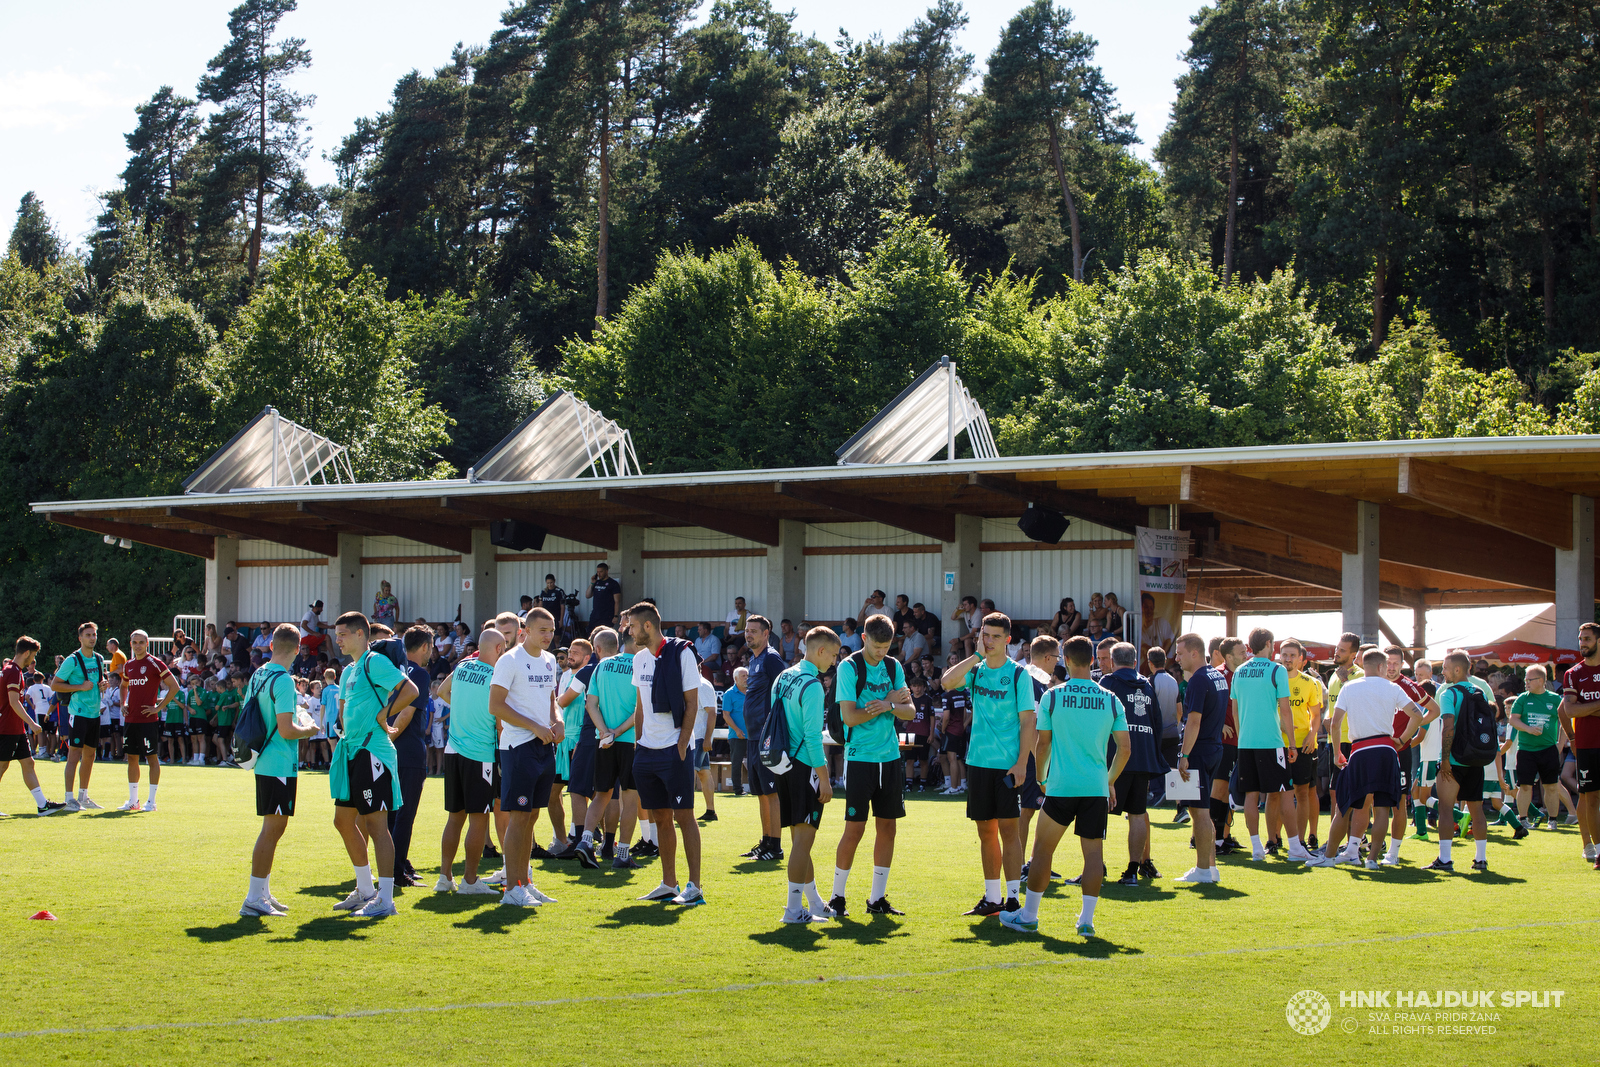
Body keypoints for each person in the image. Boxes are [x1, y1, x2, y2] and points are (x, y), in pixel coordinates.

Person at [1000, 635, 1129, 937]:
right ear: (1093, 661)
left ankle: (1029, 916)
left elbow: (1042, 744)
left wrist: (1042, 777)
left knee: (1042, 850)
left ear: (1066, 661)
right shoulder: (1111, 699)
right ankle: (1086, 921)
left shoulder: (1053, 696)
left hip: (1060, 787)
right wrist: (1108, 781)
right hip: (1095, 789)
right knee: (1093, 855)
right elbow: (1125, 749)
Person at [941, 612, 1037, 917]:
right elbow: (946, 682)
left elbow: (1028, 722)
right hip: (978, 762)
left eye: (996, 636)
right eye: (986, 634)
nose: (990, 640)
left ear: (1008, 640)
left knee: (1010, 830)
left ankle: (1012, 898)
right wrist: (975, 657)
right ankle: (992, 897)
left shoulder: (1020, 676)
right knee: (985, 832)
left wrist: (1022, 763)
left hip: (1008, 766)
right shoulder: (976, 670)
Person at [328, 612, 419, 918]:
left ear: (359, 635)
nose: (337, 639)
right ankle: (365, 889)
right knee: (343, 821)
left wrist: (384, 714)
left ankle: (386, 898)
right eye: (337, 634)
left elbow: (410, 690)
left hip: (372, 752)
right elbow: (345, 710)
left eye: (342, 634)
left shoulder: (373, 662)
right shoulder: (348, 671)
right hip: (352, 751)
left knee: (376, 826)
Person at [828, 614, 914, 917]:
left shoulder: (893, 666)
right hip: (860, 757)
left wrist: (888, 704)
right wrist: (884, 705)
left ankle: (877, 899)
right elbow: (849, 717)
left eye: (887, 647)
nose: (882, 653)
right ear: (864, 638)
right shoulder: (849, 667)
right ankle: (837, 897)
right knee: (855, 828)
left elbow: (910, 710)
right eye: (877, 646)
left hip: (890, 758)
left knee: (887, 828)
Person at [1307, 648, 1421, 870]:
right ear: (1381, 666)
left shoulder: (1350, 687)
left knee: (1345, 807)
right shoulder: (1393, 687)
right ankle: (1372, 860)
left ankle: (1329, 857)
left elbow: (1334, 723)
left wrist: (1338, 752)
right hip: (1387, 751)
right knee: (1382, 808)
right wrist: (1402, 739)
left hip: (1360, 750)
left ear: (1364, 664)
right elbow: (1417, 714)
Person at [626, 602, 705, 905]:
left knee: (684, 816)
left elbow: (692, 703)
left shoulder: (682, 652)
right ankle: (668, 883)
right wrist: (638, 746)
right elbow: (640, 706)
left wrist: (682, 744)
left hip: (675, 749)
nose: (629, 631)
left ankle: (694, 887)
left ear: (647, 626)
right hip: (647, 751)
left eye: (632, 626)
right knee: (660, 817)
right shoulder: (639, 659)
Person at [241, 624, 319, 916]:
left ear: (271, 646)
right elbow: (287, 731)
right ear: (298, 650)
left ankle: (262, 891)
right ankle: (253, 897)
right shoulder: (284, 680)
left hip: (264, 759)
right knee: (272, 829)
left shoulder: (259, 673)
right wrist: (309, 728)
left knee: (274, 828)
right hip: (277, 762)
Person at [489, 606, 563, 907]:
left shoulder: (548, 661)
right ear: (526, 631)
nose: (548, 635)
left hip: (545, 747)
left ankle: (525, 882)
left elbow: (551, 701)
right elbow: (496, 706)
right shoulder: (510, 660)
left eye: (552, 630)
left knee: (532, 817)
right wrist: (534, 726)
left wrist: (557, 720)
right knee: (519, 818)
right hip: (518, 748)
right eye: (542, 630)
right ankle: (512, 888)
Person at [1230, 628, 1312, 862]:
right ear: (1268, 643)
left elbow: (1235, 710)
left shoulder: (1239, 671)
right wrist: (1293, 745)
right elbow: (1285, 710)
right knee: (1286, 794)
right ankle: (1295, 848)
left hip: (1246, 743)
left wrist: (1242, 735)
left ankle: (1257, 848)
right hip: (1271, 742)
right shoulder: (1277, 670)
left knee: (1251, 796)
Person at [776, 626, 841, 922]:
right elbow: (814, 738)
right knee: (803, 841)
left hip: (782, 766)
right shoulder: (813, 685)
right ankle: (792, 910)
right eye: (834, 655)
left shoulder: (783, 676)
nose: (835, 662)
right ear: (820, 651)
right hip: (804, 768)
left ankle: (814, 903)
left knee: (800, 840)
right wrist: (824, 778)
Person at [435, 627, 505, 895]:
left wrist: (462, 706)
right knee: (479, 819)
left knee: (455, 818)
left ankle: (444, 878)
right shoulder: (496, 675)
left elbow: (441, 691)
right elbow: (500, 723)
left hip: (453, 750)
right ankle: (471, 880)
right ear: (498, 649)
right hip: (480, 754)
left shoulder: (463, 666)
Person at [573, 626, 644, 870]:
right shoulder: (641, 665)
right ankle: (622, 853)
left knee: (601, 795)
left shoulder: (601, 665)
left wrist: (605, 731)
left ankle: (585, 841)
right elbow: (639, 710)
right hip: (630, 741)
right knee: (630, 797)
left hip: (603, 741)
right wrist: (618, 732)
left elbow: (591, 704)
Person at [1100, 642, 1166, 885]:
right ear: (1136, 661)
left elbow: (1099, 719)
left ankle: (1098, 867)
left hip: (1115, 758)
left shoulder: (1108, 682)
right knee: (1138, 814)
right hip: (1143, 757)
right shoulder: (1147, 685)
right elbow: (1157, 722)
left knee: (1099, 812)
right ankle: (1132, 871)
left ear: (1113, 661)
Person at [1429, 650, 1492, 873]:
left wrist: (1445, 760)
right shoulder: (1480, 692)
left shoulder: (1448, 693)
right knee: (1477, 810)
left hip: (1454, 760)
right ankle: (1481, 859)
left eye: (1445, 667)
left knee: (1446, 809)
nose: (1442, 672)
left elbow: (1448, 727)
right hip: (1475, 758)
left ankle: (1445, 860)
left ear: (1457, 669)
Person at [1174, 633, 1229, 884]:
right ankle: (1211, 867)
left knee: (1199, 812)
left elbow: (1193, 720)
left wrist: (1184, 755)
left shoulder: (1197, 680)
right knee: (1202, 811)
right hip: (1214, 747)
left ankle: (1203, 871)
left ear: (1194, 653)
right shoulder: (1217, 675)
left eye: (1180, 653)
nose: (1176, 658)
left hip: (1199, 750)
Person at [386, 627, 434, 887]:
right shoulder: (421, 675)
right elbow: (406, 715)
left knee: (393, 812)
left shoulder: (394, 671)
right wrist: (390, 740)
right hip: (408, 751)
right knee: (405, 813)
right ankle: (395, 872)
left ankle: (399, 863)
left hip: (389, 751)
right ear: (425, 647)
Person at [741, 615, 788, 861]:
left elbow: (784, 690)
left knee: (772, 792)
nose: (748, 635)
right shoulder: (753, 659)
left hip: (766, 737)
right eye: (747, 631)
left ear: (766, 634)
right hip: (752, 737)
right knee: (760, 792)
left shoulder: (771, 658)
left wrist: (776, 730)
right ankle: (766, 841)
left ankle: (776, 846)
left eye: (754, 631)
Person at [2, 637, 65, 815]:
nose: (33, 659)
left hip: (15, 728)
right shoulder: (13, 671)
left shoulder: (11, 670)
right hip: (7, 728)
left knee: (28, 763)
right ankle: (42, 805)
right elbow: (14, 702)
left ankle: (42, 805)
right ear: (27, 653)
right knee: (2, 766)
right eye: (34, 655)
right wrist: (31, 723)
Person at [118, 630, 178, 812]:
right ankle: (133, 801)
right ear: (130, 644)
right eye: (134, 642)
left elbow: (174, 687)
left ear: (147, 644)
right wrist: (123, 703)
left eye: (141, 642)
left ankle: (151, 802)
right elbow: (123, 686)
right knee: (132, 759)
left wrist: (158, 708)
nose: (137, 645)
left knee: (152, 758)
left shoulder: (155, 663)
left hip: (148, 720)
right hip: (131, 719)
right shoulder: (128, 665)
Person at [52, 621, 109, 812]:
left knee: (90, 755)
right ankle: (69, 799)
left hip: (94, 713)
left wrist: (103, 685)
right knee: (74, 754)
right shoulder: (72, 660)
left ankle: (83, 796)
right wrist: (79, 686)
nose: (92, 638)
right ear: (80, 638)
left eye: (94, 635)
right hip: (78, 713)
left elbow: (101, 679)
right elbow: (55, 685)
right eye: (88, 635)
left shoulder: (99, 659)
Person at [1561, 622, 1600, 866]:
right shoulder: (1573, 673)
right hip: (1588, 744)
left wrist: (1586, 710)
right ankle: (1591, 846)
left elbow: (1576, 709)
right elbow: (1568, 710)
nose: (1582, 643)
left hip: (1586, 741)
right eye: (1580, 639)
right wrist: (1572, 737)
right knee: (1589, 797)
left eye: (1586, 639)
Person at [1279, 640, 1324, 850]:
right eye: (1284, 655)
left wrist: (1311, 735)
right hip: (1278, 744)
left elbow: (1316, 715)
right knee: (1277, 793)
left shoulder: (1310, 683)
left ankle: (1300, 840)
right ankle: (1275, 839)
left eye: (1292, 655)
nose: (1288, 659)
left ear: (1300, 659)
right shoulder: (1273, 680)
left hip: (1304, 746)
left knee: (1303, 792)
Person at [1511, 665, 1565, 829]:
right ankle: (1523, 819)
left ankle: (1553, 820)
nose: (1526, 683)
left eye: (1529, 679)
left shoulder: (1556, 699)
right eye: (1525, 679)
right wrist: (1528, 728)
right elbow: (1513, 719)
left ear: (1541, 681)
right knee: (1525, 786)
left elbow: (1565, 723)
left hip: (1548, 749)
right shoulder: (1522, 698)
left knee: (1551, 786)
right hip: (1526, 749)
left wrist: (1560, 746)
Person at [723, 668, 748, 796]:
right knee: (736, 763)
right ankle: (738, 790)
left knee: (756, 763)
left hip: (753, 734)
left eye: (747, 675)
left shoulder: (752, 693)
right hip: (736, 735)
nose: (746, 678)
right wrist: (737, 730)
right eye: (743, 676)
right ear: (736, 679)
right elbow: (726, 715)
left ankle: (756, 788)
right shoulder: (729, 694)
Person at [586, 563, 623, 630]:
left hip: (607, 615)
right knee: (591, 634)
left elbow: (617, 601)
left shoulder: (613, 584)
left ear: (606, 571)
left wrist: (615, 616)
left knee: (605, 635)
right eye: (597, 572)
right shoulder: (597, 582)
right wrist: (592, 583)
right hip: (595, 615)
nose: (599, 574)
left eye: (601, 572)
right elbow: (588, 595)